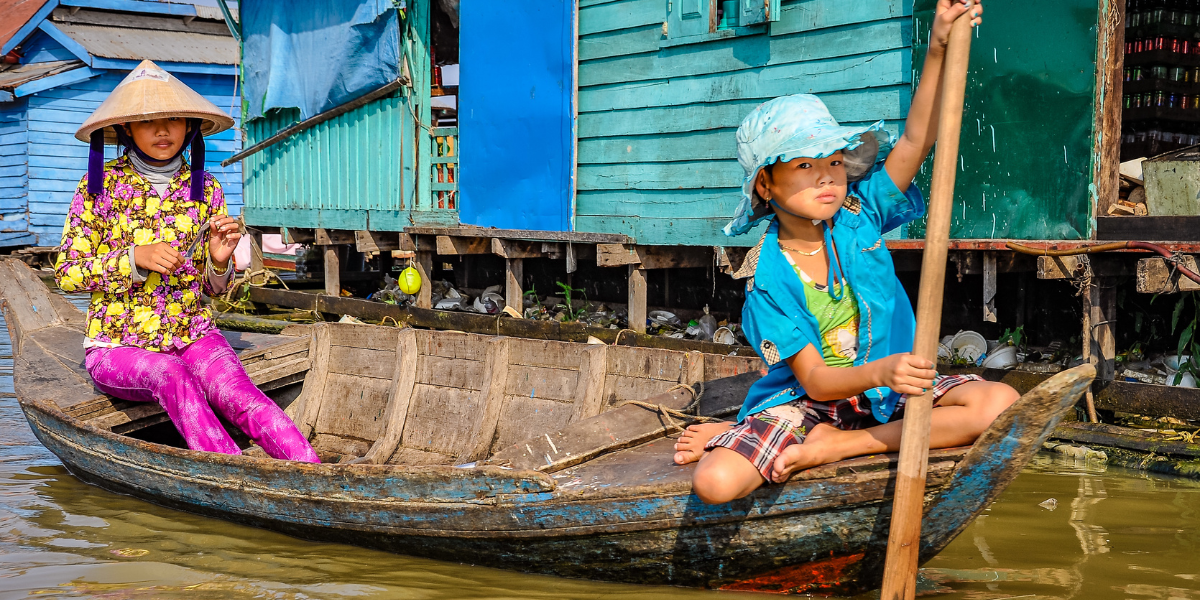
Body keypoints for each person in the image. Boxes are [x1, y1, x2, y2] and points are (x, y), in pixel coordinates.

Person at [673, 0, 1016, 504]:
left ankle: (840, 447)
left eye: (833, 160)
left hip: (885, 395)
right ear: (765, 185)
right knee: (715, 483)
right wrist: (884, 371)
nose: (828, 174)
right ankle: (734, 435)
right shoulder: (767, 282)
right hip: (812, 401)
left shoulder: (862, 212)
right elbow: (816, 380)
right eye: (805, 165)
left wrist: (939, 47)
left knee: (1001, 403)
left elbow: (918, 139)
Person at [54, 60, 320, 463]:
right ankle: (235, 478)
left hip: (193, 334)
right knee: (170, 375)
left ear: (190, 126)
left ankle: (311, 472)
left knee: (241, 396)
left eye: (174, 119)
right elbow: (67, 274)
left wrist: (218, 262)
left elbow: (215, 289)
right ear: (127, 128)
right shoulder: (100, 187)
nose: (163, 131)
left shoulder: (206, 189)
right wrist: (133, 259)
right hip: (118, 347)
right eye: (148, 122)